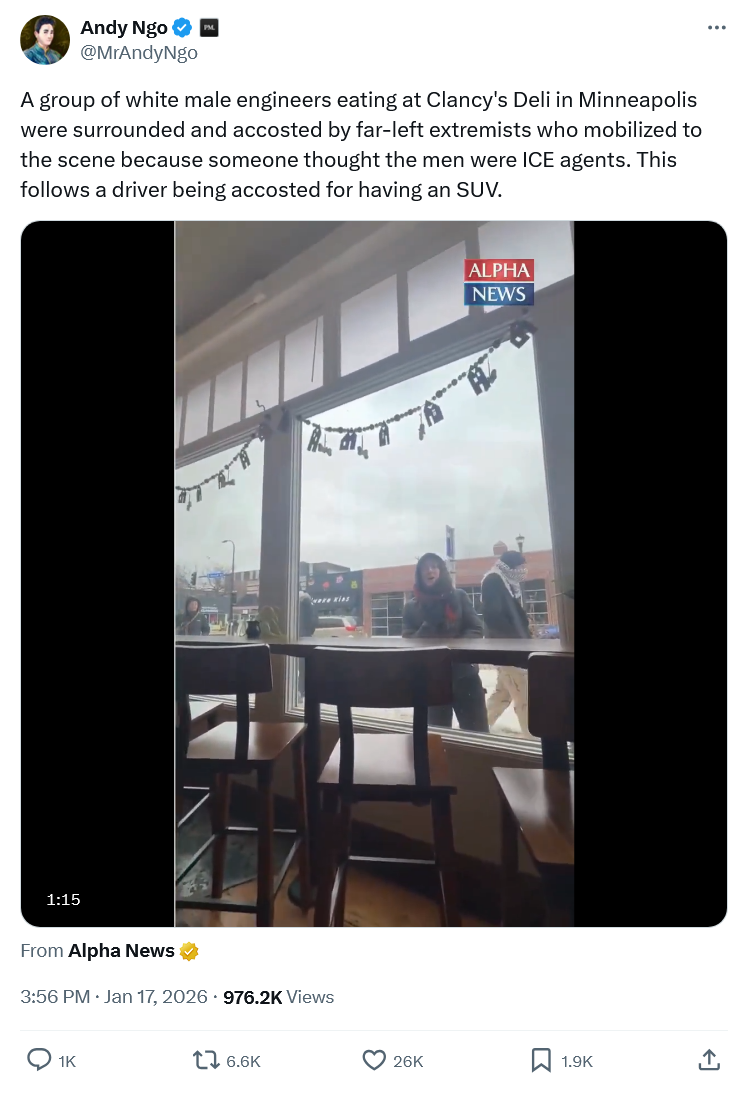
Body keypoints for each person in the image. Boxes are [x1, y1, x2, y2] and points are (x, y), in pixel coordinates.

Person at [402, 553, 489, 732]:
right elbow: (409, 642)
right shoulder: (411, 607)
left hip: (465, 677)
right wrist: (428, 626)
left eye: (434, 566)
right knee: (436, 737)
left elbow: (476, 629)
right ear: (419, 574)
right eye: (425, 568)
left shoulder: (458, 597)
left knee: (477, 734)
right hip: (431, 680)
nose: (430, 570)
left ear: (441, 571)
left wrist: (454, 650)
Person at [481, 550, 532, 734]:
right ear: (510, 566)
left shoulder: (506, 581)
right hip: (509, 650)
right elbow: (494, 616)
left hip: (511, 648)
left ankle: (477, 728)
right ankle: (533, 739)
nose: (523, 570)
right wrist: (516, 640)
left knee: (502, 695)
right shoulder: (493, 580)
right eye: (520, 566)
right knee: (525, 696)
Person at [297, 588, 318, 701]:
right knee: (304, 667)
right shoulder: (310, 605)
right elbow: (314, 622)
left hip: (298, 638)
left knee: (294, 667)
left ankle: (299, 691)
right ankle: (302, 690)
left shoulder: (297, 604)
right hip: (307, 638)